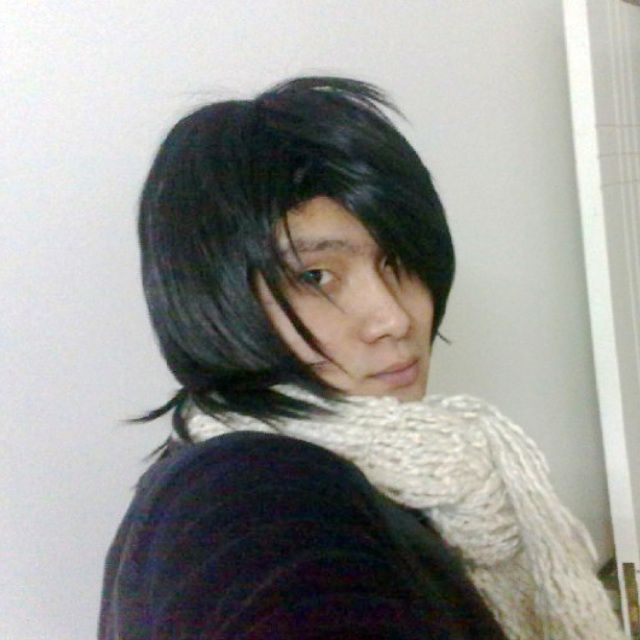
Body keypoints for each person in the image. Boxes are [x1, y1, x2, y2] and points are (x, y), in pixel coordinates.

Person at [99, 77, 623, 639]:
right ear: (213, 297)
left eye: (399, 260)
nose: (394, 318)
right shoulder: (251, 496)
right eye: (315, 277)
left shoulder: (419, 478)